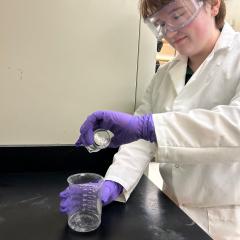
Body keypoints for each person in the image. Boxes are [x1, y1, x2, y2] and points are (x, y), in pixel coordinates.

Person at [60, 0, 240, 239]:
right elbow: (140, 140)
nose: (170, 33)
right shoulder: (165, 75)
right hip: (169, 207)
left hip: (224, 219)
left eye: (177, 16)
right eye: (161, 24)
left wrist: (149, 126)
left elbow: (234, 126)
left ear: (213, 5)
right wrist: (115, 182)